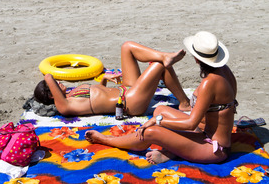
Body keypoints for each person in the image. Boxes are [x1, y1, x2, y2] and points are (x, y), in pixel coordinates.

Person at [86, 31, 238, 165]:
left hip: (213, 148)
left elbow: (190, 124)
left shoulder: (209, 83)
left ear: (196, 58)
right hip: (203, 132)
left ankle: (106, 140)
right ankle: (173, 151)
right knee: (160, 109)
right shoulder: (225, 71)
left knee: (151, 131)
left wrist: (157, 121)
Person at [34, 41, 190, 117]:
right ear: (51, 95)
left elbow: (97, 97)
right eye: (55, 85)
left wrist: (105, 79)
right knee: (158, 66)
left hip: (126, 88)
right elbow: (48, 75)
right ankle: (184, 103)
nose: (58, 82)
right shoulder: (65, 106)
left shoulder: (72, 94)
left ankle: (164, 55)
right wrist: (49, 77)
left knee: (126, 47)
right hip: (130, 101)